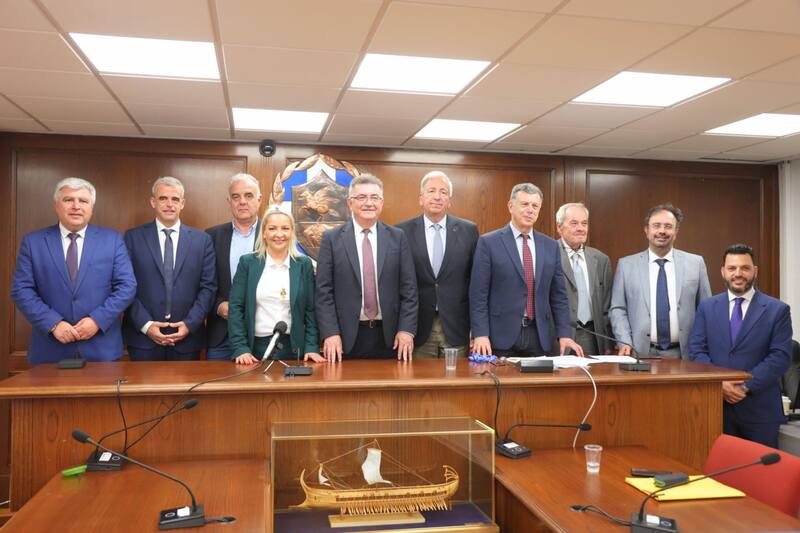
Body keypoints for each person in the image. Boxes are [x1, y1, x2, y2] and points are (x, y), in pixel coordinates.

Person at [11, 178, 136, 364]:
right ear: (56, 205)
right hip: (50, 348)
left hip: (101, 349)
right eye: (68, 200)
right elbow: (21, 290)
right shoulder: (33, 242)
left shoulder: (112, 240)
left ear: (91, 207)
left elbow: (127, 287)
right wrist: (53, 324)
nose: (76, 206)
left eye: (83, 201)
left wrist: (97, 320)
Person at [689, 244, 791, 447]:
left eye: (745, 268)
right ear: (723, 272)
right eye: (732, 268)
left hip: (760, 412)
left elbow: (780, 357)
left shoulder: (777, 310)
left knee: (760, 467)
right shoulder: (707, 307)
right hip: (715, 409)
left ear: (755, 271)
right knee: (718, 466)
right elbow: (696, 351)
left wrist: (745, 386)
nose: (738, 274)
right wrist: (719, 384)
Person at [470, 183, 583, 357]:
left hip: (539, 336)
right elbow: (478, 294)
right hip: (499, 337)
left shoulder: (550, 246)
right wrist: (480, 334)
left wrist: (564, 334)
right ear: (510, 206)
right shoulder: (489, 243)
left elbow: (559, 296)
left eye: (535, 206)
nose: (530, 210)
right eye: (525, 204)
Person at [316, 174, 418, 362]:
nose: (369, 203)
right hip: (345, 339)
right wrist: (330, 333)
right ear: (350, 202)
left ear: (381, 202)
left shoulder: (397, 237)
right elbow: (324, 292)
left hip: (391, 338)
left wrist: (406, 330)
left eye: (374, 197)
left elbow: (409, 289)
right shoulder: (331, 239)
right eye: (361, 197)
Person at [123, 176, 217, 361]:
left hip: (187, 341)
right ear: (153, 202)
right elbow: (124, 287)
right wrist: (146, 325)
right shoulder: (132, 238)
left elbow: (208, 287)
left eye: (175, 199)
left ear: (182, 203)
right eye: (163, 198)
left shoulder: (202, 240)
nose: (169, 204)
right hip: (143, 340)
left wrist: (189, 324)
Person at [610, 204, 711, 358]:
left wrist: (701, 347)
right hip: (639, 353)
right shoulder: (626, 265)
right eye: (656, 225)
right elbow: (618, 309)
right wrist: (624, 342)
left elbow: (706, 309)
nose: (662, 231)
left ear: (676, 231)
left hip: (686, 354)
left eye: (668, 226)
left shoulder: (696, 263)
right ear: (646, 230)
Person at [396, 171, 479, 359]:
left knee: (457, 377)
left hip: (457, 326)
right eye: (431, 191)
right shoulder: (401, 232)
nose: (437, 196)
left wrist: (477, 330)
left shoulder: (468, 231)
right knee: (418, 377)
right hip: (416, 327)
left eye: (443, 192)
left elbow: (475, 282)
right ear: (421, 199)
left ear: (449, 200)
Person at [228, 207, 323, 365]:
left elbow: (311, 310)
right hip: (255, 351)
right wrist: (240, 348)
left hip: (294, 349)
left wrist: (311, 346)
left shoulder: (304, 264)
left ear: (292, 233)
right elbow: (236, 308)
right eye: (272, 228)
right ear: (264, 233)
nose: (279, 234)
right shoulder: (248, 263)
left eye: (285, 228)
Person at [206, 173, 262, 360]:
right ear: (229, 201)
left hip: (263, 333)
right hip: (222, 334)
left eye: (249, 195)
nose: (242, 202)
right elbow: (203, 282)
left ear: (259, 200)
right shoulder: (211, 236)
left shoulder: (274, 235)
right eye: (236, 197)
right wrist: (218, 305)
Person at [555, 203, 613, 355]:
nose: (581, 228)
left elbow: (606, 306)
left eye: (584, 223)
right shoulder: (548, 254)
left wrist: (608, 344)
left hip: (593, 338)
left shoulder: (601, 259)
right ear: (559, 227)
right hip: (558, 338)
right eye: (574, 223)